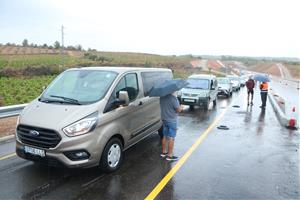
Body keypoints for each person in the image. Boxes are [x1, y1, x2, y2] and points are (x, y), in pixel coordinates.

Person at [160, 92, 183, 161]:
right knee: (171, 137)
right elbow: (178, 110)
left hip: (164, 119)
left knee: (165, 136)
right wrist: (181, 107)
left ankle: (164, 152)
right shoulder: (173, 99)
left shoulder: (162, 97)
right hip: (172, 120)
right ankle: (170, 155)